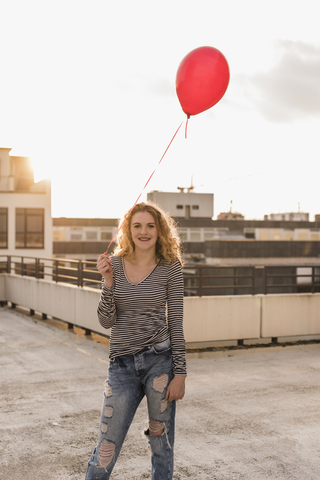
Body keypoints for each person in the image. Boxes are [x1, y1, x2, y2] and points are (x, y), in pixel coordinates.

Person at [85, 201, 187, 480]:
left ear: (159, 230)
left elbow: (175, 324)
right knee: (106, 448)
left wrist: (180, 373)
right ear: (127, 231)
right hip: (121, 368)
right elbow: (106, 321)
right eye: (137, 226)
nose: (144, 232)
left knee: (161, 444)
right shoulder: (114, 266)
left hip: (160, 365)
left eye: (150, 226)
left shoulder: (170, 269)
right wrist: (107, 281)